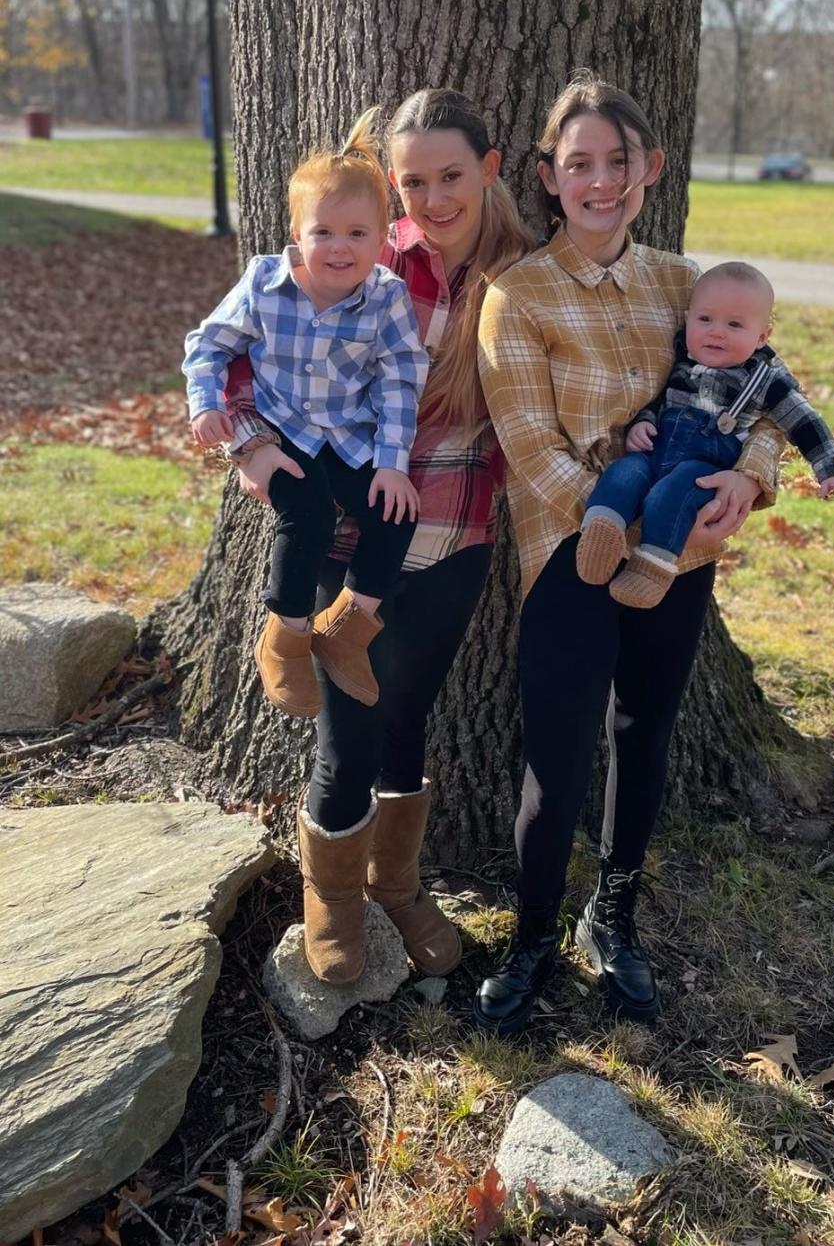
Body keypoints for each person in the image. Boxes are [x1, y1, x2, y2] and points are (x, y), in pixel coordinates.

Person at [474, 74, 786, 1034]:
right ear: (549, 178)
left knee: (643, 733)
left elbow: (763, 390)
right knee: (558, 759)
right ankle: (532, 935)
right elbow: (533, 449)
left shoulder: (681, 283)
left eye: (619, 162)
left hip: (679, 556)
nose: (600, 182)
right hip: (573, 552)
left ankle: (613, 913)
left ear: (649, 170)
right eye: (579, 166)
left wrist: (753, 475)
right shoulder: (516, 297)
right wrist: (618, 525)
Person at [224, 90, 534, 986]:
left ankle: (396, 881)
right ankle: (333, 902)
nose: (433, 200)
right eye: (414, 182)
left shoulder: (523, 271)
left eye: (452, 177)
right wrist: (245, 441)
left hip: (459, 529)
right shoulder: (361, 255)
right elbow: (244, 356)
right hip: (353, 534)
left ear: (491, 168)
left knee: (408, 714)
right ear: (390, 187)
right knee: (349, 731)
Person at [183, 111, 428, 721]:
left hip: (348, 434)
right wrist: (207, 404)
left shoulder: (387, 298)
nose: (339, 247)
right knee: (308, 509)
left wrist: (393, 465)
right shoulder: (265, 284)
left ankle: (349, 626)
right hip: (282, 428)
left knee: (394, 514)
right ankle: (287, 637)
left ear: (382, 240)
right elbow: (208, 345)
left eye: (357, 234)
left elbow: (401, 379)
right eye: (324, 232)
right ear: (297, 233)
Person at [578, 259, 834, 608]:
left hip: (702, 468)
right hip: (655, 452)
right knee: (623, 473)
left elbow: (806, 423)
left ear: (762, 336)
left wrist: (833, 472)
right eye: (705, 319)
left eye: (734, 324)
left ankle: (651, 569)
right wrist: (643, 421)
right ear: (689, 319)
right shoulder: (682, 357)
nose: (716, 331)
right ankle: (601, 530)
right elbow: (658, 398)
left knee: (669, 497)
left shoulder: (765, 380)